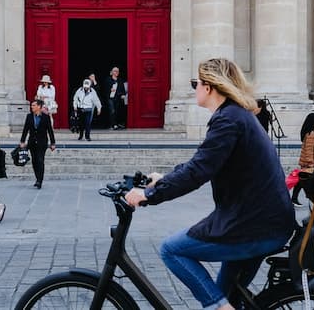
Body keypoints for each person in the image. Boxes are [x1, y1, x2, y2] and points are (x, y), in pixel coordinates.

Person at [124, 58, 295, 310]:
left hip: (253, 225)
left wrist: (150, 194)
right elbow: (203, 160)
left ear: (209, 87)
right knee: (226, 293)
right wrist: (164, 179)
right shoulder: (235, 116)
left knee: (172, 250)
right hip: (264, 220)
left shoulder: (228, 120)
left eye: (196, 83)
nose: (194, 88)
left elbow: (199, 171)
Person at [19, 99, 56, 189]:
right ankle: (37, 178)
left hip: (42, 142)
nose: (32, 107)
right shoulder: (29, 117)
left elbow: (50, 131)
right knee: (34, 161)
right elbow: (25, 129)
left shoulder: (45, 117)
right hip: (32, 142)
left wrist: (53, 143)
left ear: (39, 106)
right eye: (32, 105)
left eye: (34, 105)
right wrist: (22, 141)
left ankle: (40, 180)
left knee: (40, 160)